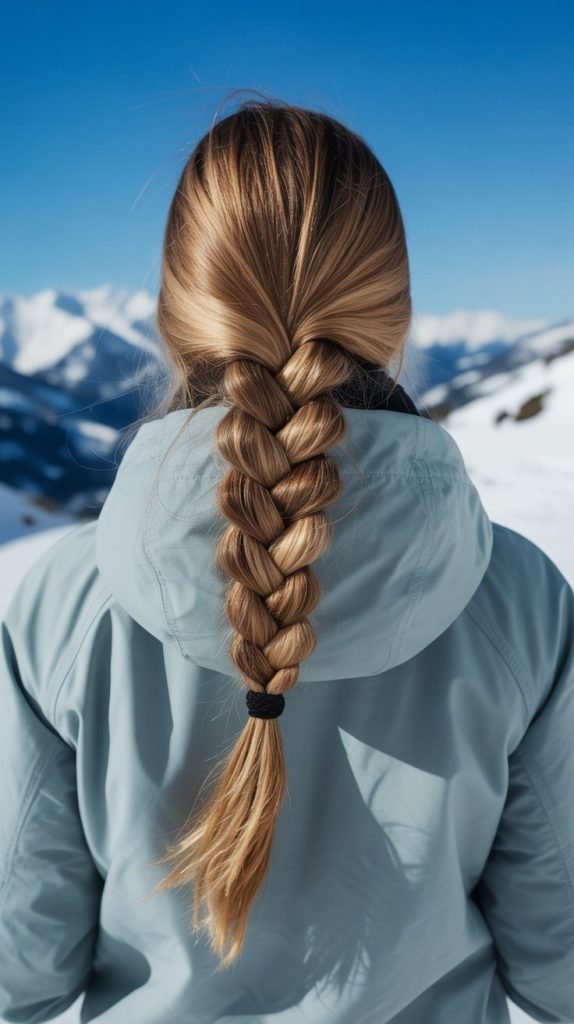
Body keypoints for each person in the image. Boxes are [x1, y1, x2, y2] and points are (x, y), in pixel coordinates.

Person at [0, 96, 573, 1024]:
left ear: (172, 314)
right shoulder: (519, 606)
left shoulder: (65, 609)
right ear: (397, 316)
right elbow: (562, 966)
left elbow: (16, 973)